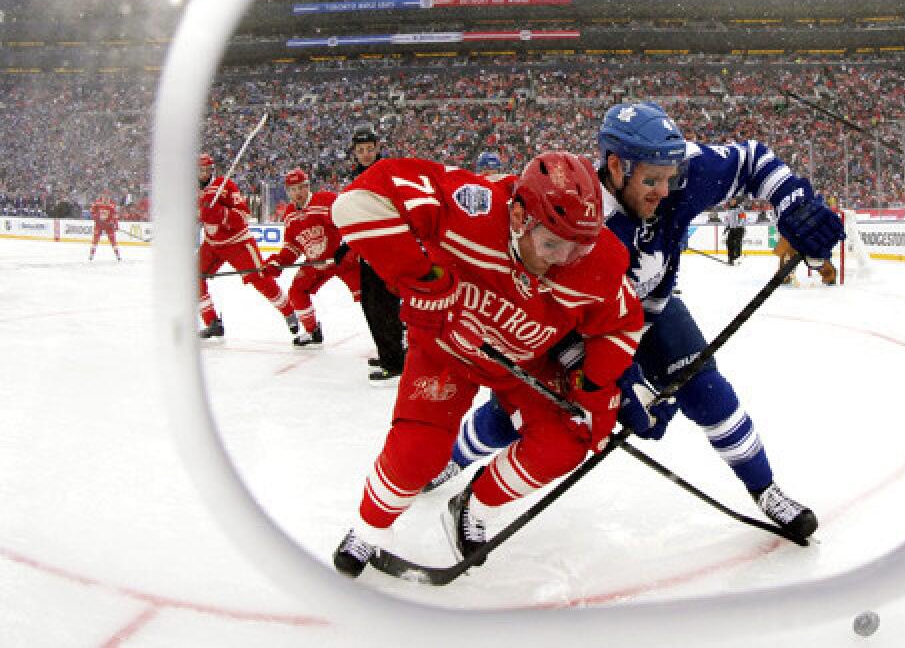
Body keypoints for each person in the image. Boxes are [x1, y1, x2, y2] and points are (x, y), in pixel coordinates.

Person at [430, 101, 845, 544]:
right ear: (615, 166)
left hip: (654, 310)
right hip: (583, 330)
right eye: (651, 181)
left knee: (711, 394)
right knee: (522, 411)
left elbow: (753, 160)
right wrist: (619, 384)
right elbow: (554, 318)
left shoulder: (678, 169)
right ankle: (453, 458)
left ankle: (766, 489)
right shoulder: (583, 215)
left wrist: (795, 201)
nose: (664, 192)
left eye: (670, 179)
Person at [328, 151, 643, 577]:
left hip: (527, 358)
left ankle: (474, 505)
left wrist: (592, 382)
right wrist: (419, 278)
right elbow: (356, 202)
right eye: (552, 244)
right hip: (447, 350)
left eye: (578, 248)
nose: (562, 260)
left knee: (569, 440)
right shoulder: (469, 207)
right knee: (417, 455)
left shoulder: (597, 262)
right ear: (518, 216)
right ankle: (370, 527)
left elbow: (622, 326)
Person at [196, 153, 296, 339]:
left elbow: (244, 215)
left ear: (212, 170)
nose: (202, 174)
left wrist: (220, 213)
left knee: (260, 278)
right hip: (212, 244)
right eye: (199, 170)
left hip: (238, 243)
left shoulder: (225, 186)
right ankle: (212, 322)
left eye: (206, 170)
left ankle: (289, 312)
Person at [263, 168, 362, 347]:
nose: (297, 193)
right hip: (315, 263)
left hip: (342, 259)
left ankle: (394, 331)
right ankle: (312, 330)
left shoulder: (325, 201)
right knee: (297, 291)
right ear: (287, 191)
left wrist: (350, 250)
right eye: (292, 189)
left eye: (301, 188)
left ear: (308, 186)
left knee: (366, 294)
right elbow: (292, 247)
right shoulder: (289, 215)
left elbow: (349, 223)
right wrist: (278, 262)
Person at [343, 125, 407, 383]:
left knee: (384, 306)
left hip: (385, 247)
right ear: (354, 153)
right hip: (367, 249)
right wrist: (348, 246)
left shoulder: (387, 171)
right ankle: (387, 352)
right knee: (372, 306)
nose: (366, 154)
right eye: (361, 150)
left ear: (377, 148)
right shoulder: (356, 175)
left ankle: (394, 361)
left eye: (370, 149)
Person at [88, 192, 121, 261]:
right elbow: (92, 211)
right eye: (104, 196)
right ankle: (91, 255)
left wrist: (115, 224)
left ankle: (118, 255)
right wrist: (96, 218)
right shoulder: (97, 203)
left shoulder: (112, 204)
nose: (105, 198)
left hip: (109, 226)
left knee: (113, 240)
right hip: (99, 225)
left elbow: (115, 215)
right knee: (95, 240)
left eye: (107, 196)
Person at [723, 200, 747, 265]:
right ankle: (731, 258)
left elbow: (743, 218)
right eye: (731, 201)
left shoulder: (740, 209)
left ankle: (737, 258)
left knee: (737, 243)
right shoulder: (729, 210)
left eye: (733, 201)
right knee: (729, 243)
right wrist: (727, 227)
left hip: (739, 229)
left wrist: (738, 226)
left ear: (735, 201)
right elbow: (729, 220)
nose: (731, 202)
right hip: (732, 229)